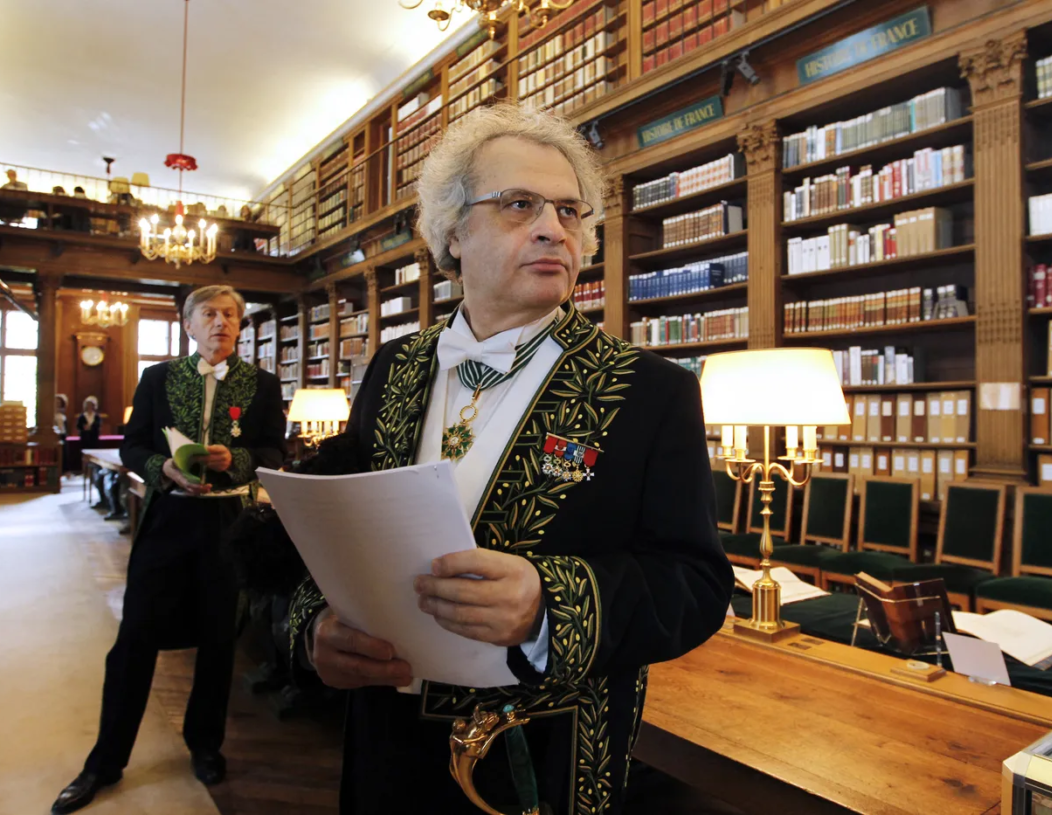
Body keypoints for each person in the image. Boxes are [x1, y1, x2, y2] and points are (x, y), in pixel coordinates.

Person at [281, 104, 733, 815]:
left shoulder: (652, 392)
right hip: (386, 745)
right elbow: (334, 535)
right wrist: (314, 629)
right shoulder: (392, 368)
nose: (554, 227)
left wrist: (549, 604)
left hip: (544, 763)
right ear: (452, 231)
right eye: (520, 204)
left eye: (569, 211)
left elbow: (696, 584)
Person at [51, 285, 287, 814]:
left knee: (219, 641)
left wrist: (240, 460)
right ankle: (104, 762)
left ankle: (205, 746)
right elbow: (133, 445)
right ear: (189, 324)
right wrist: (164, 469)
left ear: (240, 327)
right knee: (134, 638)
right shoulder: (157, 378)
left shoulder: (264, 385)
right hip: (168, 520)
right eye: (210, 314)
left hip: (231, 525)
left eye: (231, 315)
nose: (222, 323)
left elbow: (276, 447)